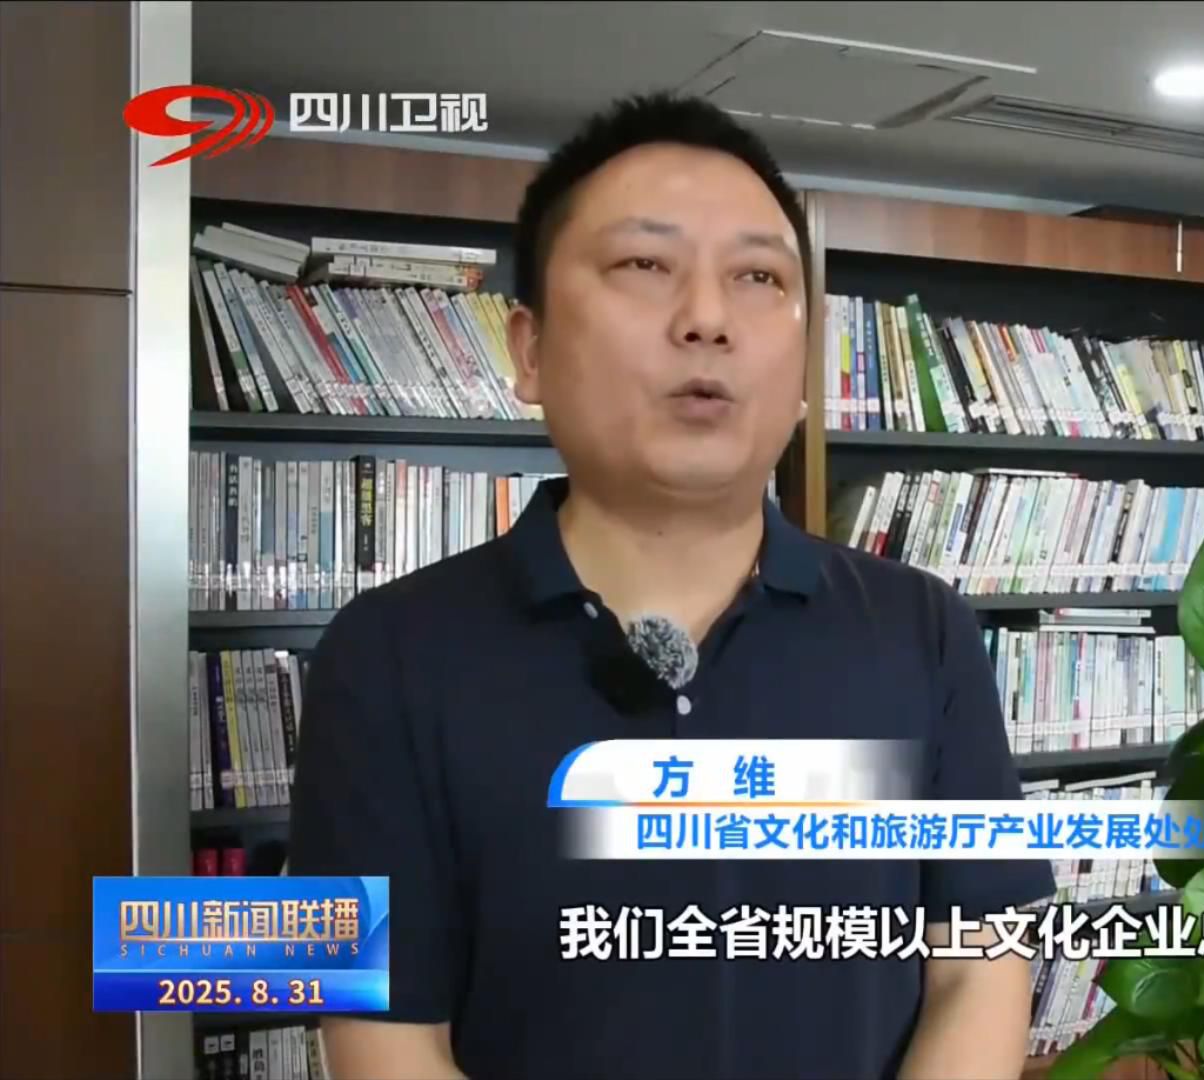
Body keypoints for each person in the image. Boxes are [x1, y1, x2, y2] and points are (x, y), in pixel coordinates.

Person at [288, 92, 1054, 1080]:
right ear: (529, 350)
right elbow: (380, 1038)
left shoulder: (923, 629)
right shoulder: (386, 653)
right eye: (645, 266)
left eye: (757, 277)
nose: (707, 320)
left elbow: (982, 963)